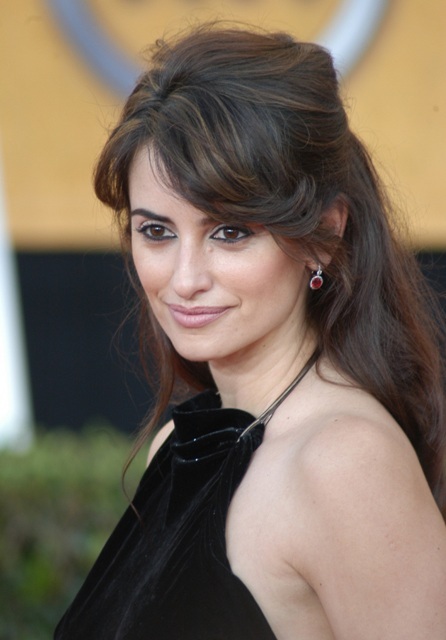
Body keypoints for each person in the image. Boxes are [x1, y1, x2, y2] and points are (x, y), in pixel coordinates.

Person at [55, 22, 446, 639]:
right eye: (156, 231)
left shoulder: (345, 464)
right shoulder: (176, 448)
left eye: (230, 232)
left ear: (324, 234)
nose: (185, 279)